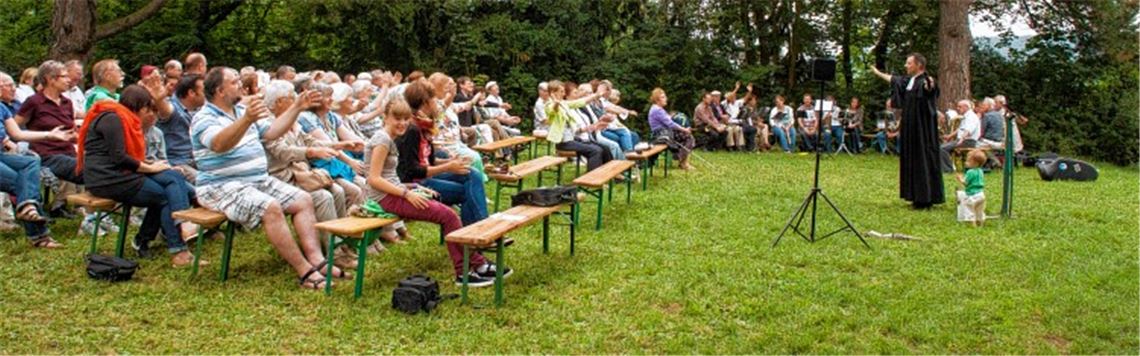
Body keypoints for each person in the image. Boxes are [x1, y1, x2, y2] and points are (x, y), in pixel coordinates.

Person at [191, 67, 343, 290]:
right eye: (234, 82)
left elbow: (271, 131)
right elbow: (219, 144)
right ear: (219, 91)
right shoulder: (204, 118)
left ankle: (317, 260)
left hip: (257, 180)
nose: (241, 85)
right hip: (220, 185)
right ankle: (304, 270)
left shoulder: (241, 110)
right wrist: (247, 119)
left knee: (303, 200)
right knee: (270, 207)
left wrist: (297, 107)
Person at [366, 98, 508, 287]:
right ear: (385, 117)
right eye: (397, 118)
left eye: (406, 119)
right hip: (385, 198)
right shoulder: (382, 140)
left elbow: (389, 176)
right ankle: (464, 272)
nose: (402, 123)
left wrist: (413, 187)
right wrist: (407, 194)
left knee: (451, 213)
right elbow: (374, 179)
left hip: (396, 192)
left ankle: (477, 263)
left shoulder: (389, 138)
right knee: (449, 216)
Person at [77, 85, 204, 265]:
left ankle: (176, 227)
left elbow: (131, 158)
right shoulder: (112, 119)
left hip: (124, 173)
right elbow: (120, 158)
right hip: (108, 179)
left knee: (173, 176)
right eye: (147, 108)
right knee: (165, 197)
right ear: (139, 106)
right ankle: (176, 244)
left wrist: (156, 165)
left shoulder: (123, 118)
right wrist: (151, 168)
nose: (149, 113)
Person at [870, 53, 945, 209]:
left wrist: (930, 86)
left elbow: (930, 90)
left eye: (909, 63)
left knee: (922, 160)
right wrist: (877, 73)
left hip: (922, 130)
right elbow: (893, 79)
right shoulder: (909, 81)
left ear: (919, 65)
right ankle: (914, 196)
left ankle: (925, 199)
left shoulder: (925, 80)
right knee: (912, 159)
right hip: (910, 129)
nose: (906, 65)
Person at [0, 71, 55, 248]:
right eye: (10, 85)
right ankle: (39, 237)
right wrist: (6, 142)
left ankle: (29, 213)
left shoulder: (3, 108)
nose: (14, 89)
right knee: (25, 184)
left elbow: (18, 134)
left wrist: (50, 134)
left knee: (31, 162)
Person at [544, 80, 612, 171]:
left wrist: (597, 95)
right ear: (553, 92)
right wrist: (556, 103)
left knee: (604, 148)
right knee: (595, 151)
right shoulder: (548, 105)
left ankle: (608, 173)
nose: (564, 94)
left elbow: (580, 102)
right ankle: (593, 178)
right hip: (563, 143)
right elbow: (553, 110)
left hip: (572, 139)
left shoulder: (564, 103)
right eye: (561, 91)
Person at [647, 88, 694, 170]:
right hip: (661, 135)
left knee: (687, 136)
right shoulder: (657, 110)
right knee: (688, 137)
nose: (666, 99)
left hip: (664, 133)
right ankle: (683, 162)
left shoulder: (657, 109)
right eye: (663, 97)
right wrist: (684, 129)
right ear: (657, 100)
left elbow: (668, 119)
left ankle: (681, 159)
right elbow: (670, 124)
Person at [939, 99, 982, 172]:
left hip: (968, 141)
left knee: (942, 148)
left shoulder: (971, 117)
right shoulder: (966, 116)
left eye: (960, 107)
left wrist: (961, 140)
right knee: (942, 147)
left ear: (966, 107)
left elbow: (968, 131)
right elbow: (960, 129)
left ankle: (948, 169)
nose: (957, 108)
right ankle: (947, 167)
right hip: (963, 140)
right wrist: (949, 136)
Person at [955, 149, 987, 227]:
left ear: (975, 163)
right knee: (979, 210)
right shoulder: (980, 171)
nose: (966, 162)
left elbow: (965, 183)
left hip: (972, 195)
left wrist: (960, 179)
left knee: (969, 209)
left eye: (968, 161)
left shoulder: (970, 172)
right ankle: (980, 223)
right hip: (981, 194)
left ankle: (972, 225)